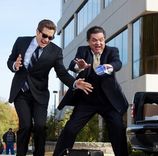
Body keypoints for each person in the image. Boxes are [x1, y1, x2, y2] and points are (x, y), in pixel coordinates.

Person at [7, 19, 93, 156]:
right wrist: (14, 65)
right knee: (26, 126)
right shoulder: (21, 42)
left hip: (40, 95)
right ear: (37, 32)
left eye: (50, 37)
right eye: (44, 36)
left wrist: (75, 83)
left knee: (40, 127)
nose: (47, 40)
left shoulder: (55, 51)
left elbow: (62, 73)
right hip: (21, 92)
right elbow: (10, 60)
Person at [53, 26, 129, 156]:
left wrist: (110, 66)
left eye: (101, 40)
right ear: (89, 41)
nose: (98, 43)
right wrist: (79, 66)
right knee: (70, 129)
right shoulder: (83, 51)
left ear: (104, 39)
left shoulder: (112, 51)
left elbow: (118, 63)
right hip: (87, 100)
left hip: (108, 102)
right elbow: (73, 65)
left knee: (118, 129)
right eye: (94, 40)